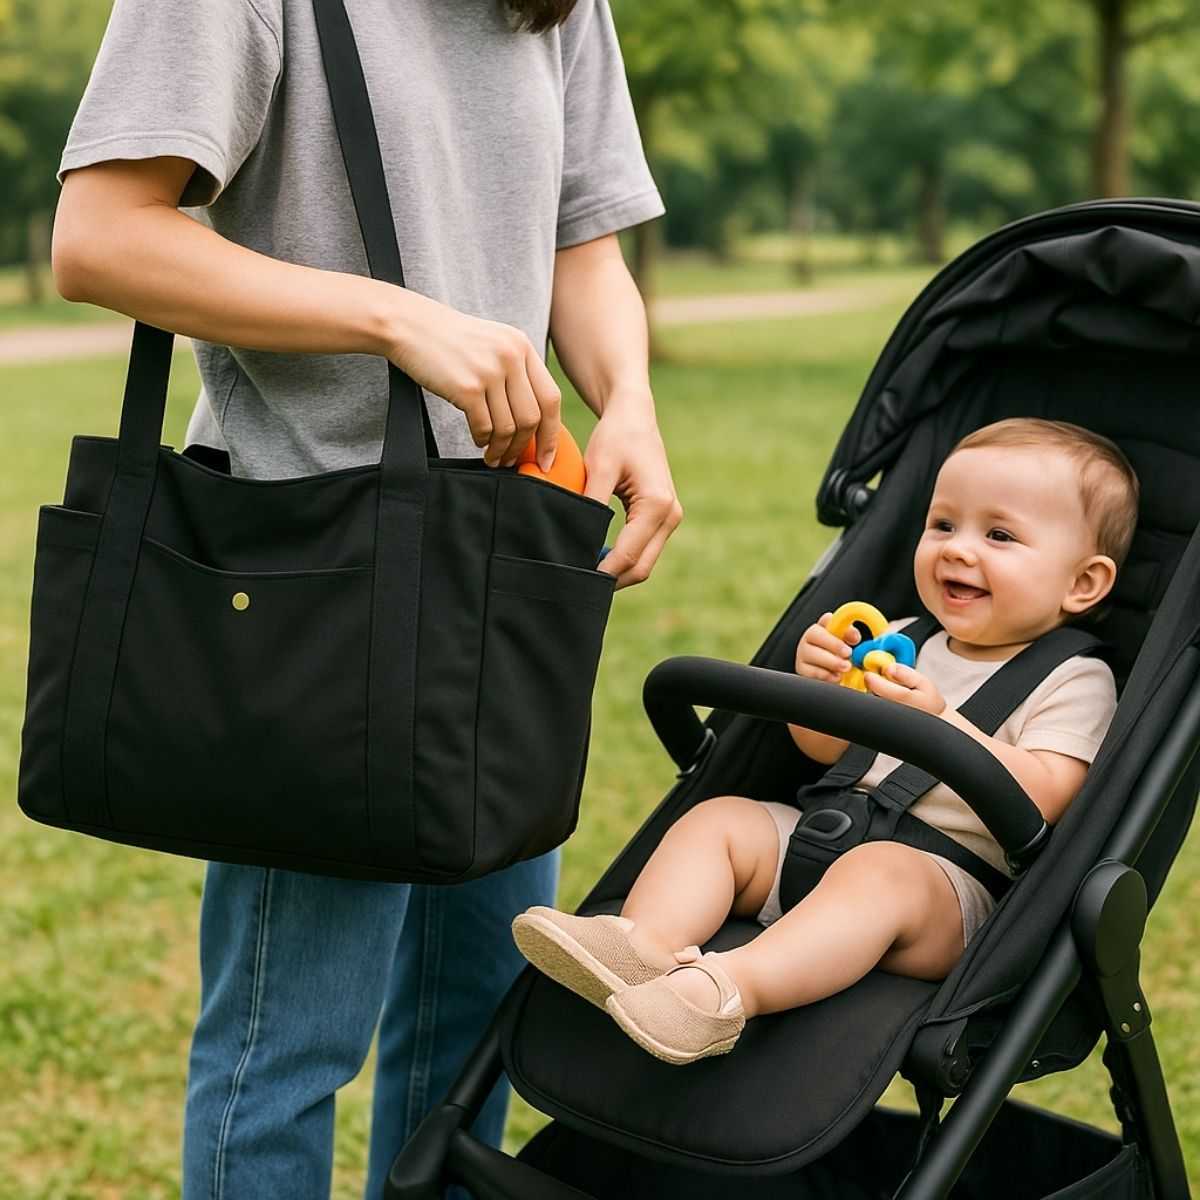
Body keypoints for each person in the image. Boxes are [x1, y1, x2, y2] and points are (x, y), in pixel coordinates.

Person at [51, 0, 680, 1195]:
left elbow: (577, 238)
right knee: (289, 1046)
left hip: (505, 559)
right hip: (319, 576)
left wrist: (630, 396)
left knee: (476, 1027)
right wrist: (398, 320)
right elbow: (100, 238)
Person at [513, 418, 1138, 1065]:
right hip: (828, 834)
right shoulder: (897, 636)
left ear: (1083, 583)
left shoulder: (1075, 678)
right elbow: (824, 753)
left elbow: (1049, 798)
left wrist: (942, 721)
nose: (956, 549)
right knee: (721, 820)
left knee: (880, 872)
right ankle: (640, 948)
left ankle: (720, 995)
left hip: (943, 891)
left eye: (999, 535)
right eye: (943, 524)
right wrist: (819, 686)